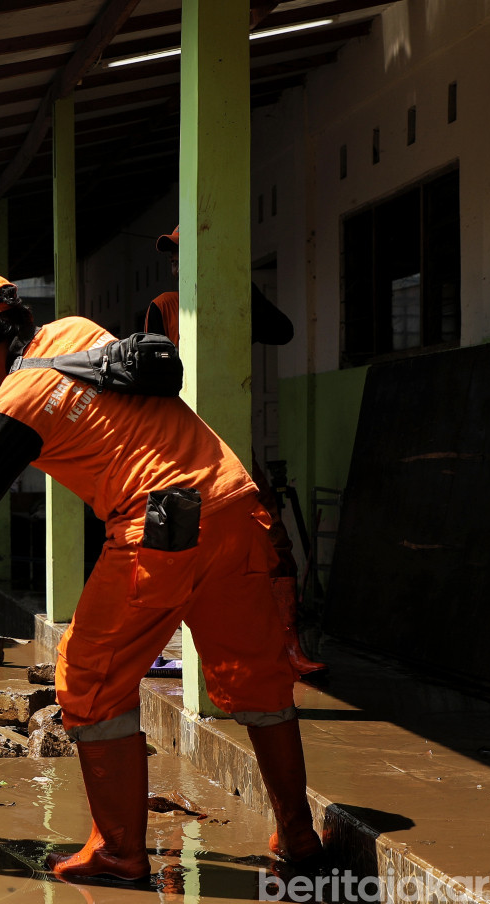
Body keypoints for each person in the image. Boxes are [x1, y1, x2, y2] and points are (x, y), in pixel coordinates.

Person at [0, 272, 322, 882]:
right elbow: (46, 421)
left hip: (162, 527)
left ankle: (119, 852)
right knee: (261, 681)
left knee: (89, 681)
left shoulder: (15, 398)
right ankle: (298, 836)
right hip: (235, 507)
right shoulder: (76, 335)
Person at [148, 226, 325, 679]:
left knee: (272, 540)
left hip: (232, 446)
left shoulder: (234, 300)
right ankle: (151, 649)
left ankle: (288, 648)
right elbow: (151, 387)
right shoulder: (165, 308)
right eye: (172, 258)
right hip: (180, 450)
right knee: (173, 549)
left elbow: (282, 331)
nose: (174, 264)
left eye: (182, 256)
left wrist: (236, 287)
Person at [145, 226, 294, 347]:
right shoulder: (163, 306)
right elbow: (151, 369)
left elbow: (283, 332)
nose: (177, 271)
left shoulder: (237, 294)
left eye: (184, 260)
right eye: (174, 262)